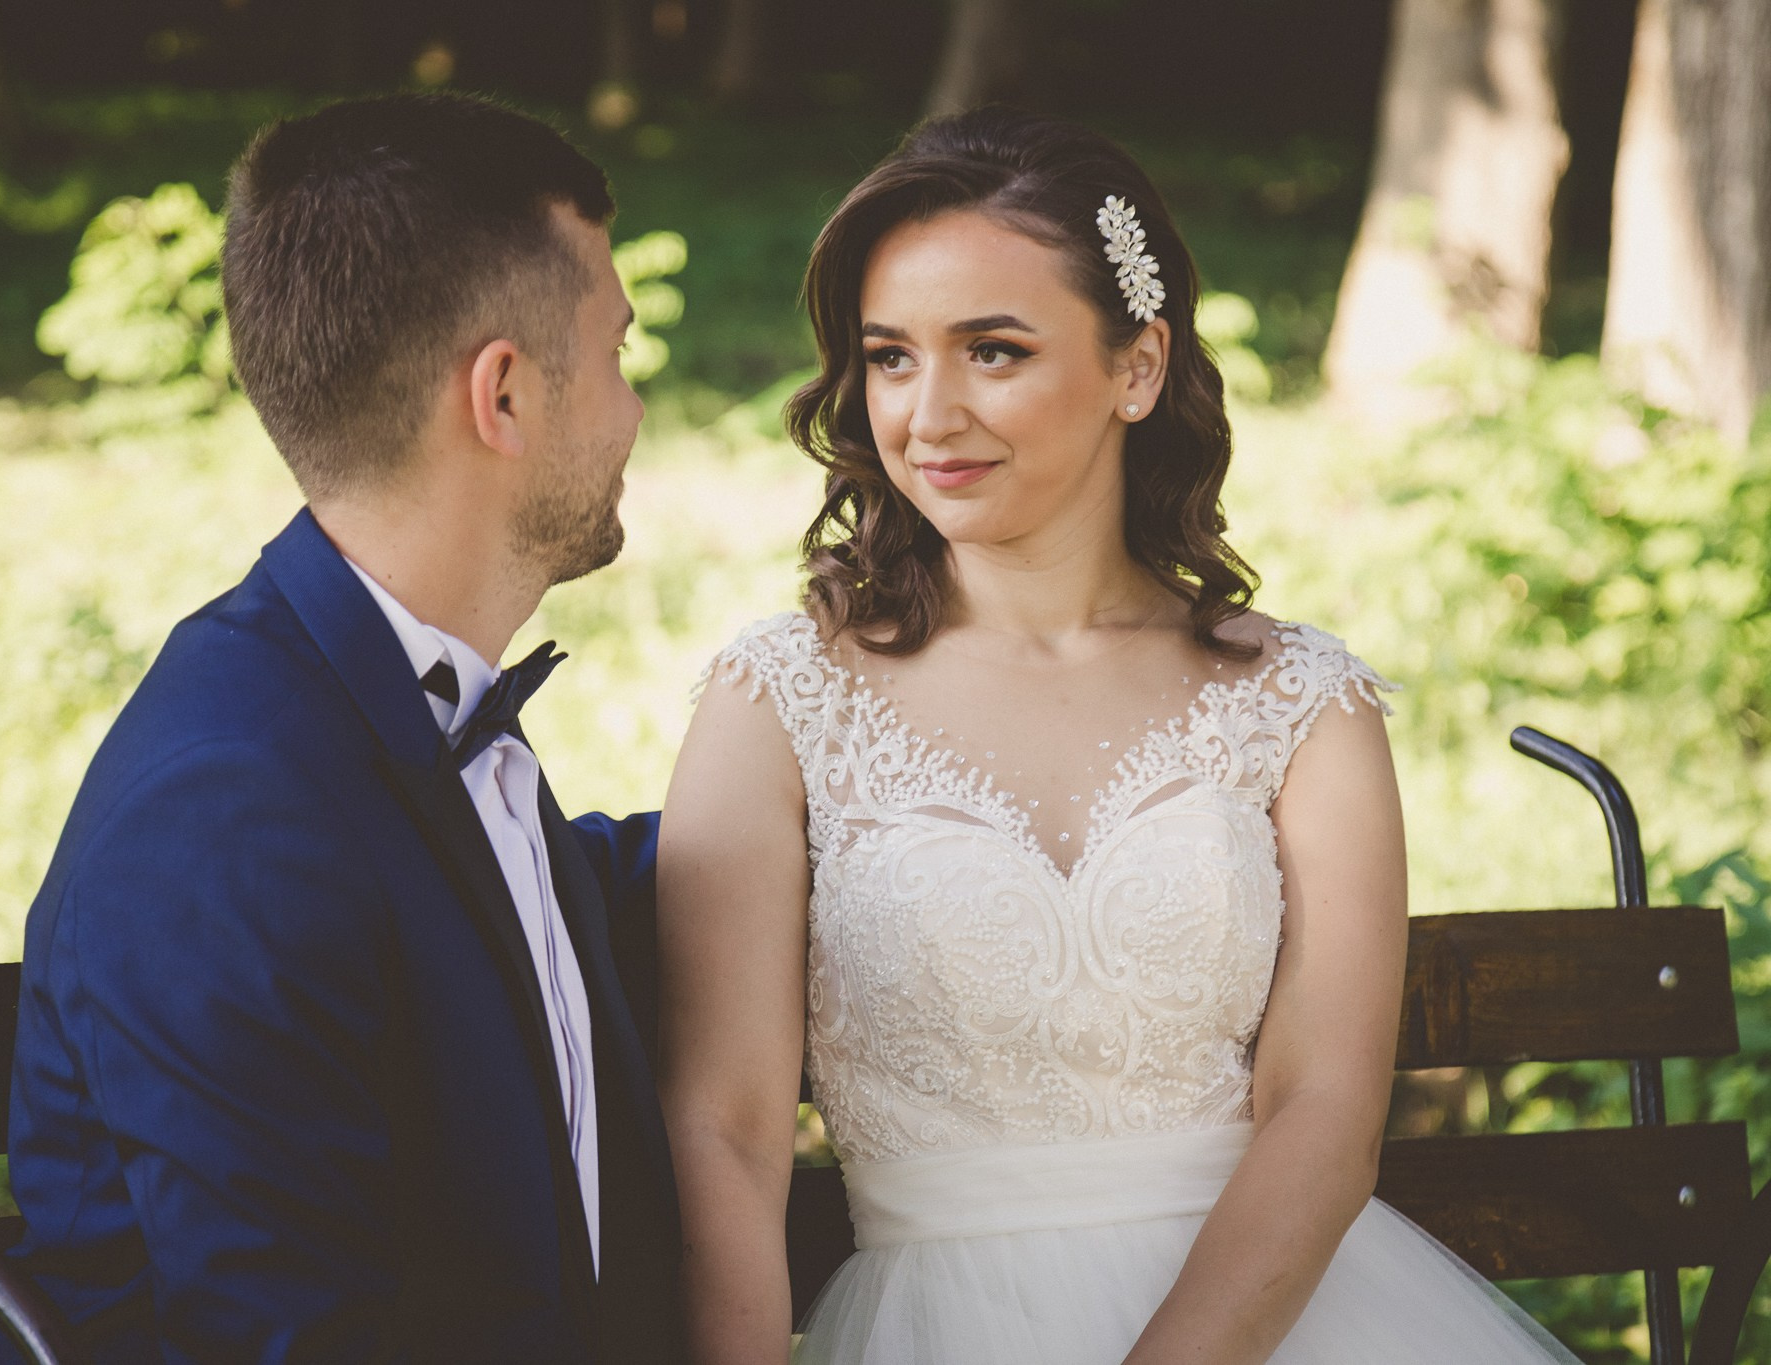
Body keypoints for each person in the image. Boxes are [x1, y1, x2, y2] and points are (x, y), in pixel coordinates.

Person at [656, 107, 1581, 1365]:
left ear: (1135, 368)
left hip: (1270, 1319)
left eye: (991, 351)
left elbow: (1322, 1110)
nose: (926, 415)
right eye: (888, 357)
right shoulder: (777, 699)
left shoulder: (1300, 705)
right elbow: (729, 1124)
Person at [0, 93, 682, 1365]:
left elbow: (516, 920)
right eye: (618, 354)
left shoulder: (379, 706)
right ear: (505, 395)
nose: (636, 412)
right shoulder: (225, 818)